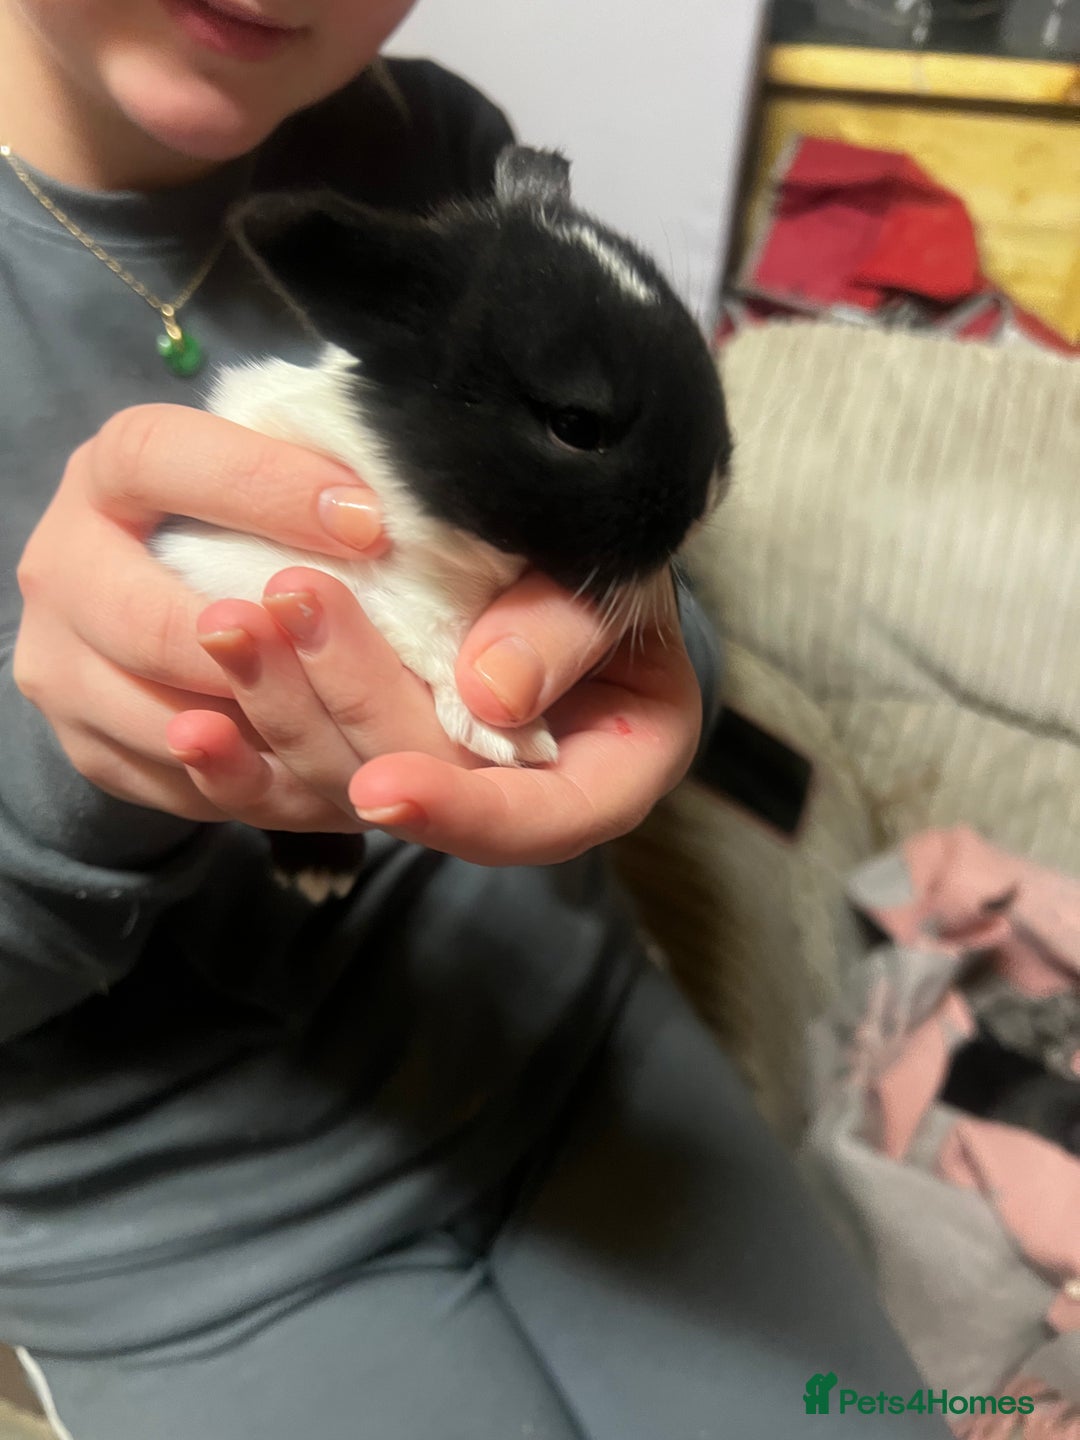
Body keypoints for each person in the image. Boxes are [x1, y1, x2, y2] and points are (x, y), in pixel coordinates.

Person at [0, 3, 947, 1437]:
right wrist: (89, 770)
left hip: (570, 1051)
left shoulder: (432, 145)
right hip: (184, 1225)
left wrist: (629, 647)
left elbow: (627, 570)